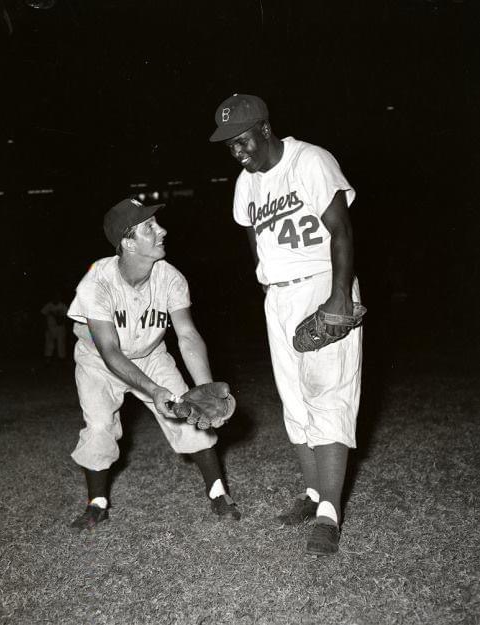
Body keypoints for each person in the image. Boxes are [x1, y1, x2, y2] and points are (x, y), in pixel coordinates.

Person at [209, 94, 363, 556]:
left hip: (321, 283)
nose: (238, 151)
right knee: (293, 399)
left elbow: (342, 230)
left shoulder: (310, 161)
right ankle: (314, 494)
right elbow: (254, 240)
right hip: (279, 295)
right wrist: (269, 289)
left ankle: (330, 515)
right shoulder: (245, 183)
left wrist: (338, 295)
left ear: (266, 129)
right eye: (229, 145)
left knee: (329, 394)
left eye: (243, 140)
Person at [67, 198, 240, 530]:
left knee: (190, 415)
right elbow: (109, 351)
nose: (162, 230)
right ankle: (97, 504)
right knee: (100, 426)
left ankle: (219, 493)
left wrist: (203, 388)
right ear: (128, 242)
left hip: (151, 354)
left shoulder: (170, 277)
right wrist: (151, 389)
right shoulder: (97, 281)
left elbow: (187, 335)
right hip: (99, 362)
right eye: (149, 227)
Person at [41, 292, 68, 362]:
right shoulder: (48, 306)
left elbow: (66, 316)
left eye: (58, 296)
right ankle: (48, 361)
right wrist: (45, 327)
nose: (56, 298)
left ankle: (62, 361)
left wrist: (61, 321)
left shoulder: (62, 306)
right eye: (55, 296)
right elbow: (43, 316)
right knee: (49, 344)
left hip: (60, 328)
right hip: (50, 328)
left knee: (61, 344)